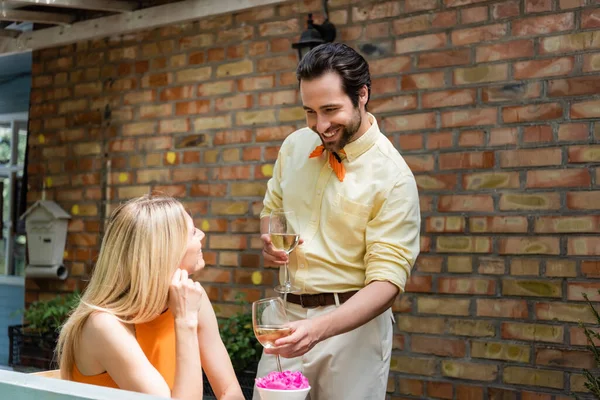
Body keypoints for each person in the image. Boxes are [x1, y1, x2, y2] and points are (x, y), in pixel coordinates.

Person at [255, 43, 421, 400]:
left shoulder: (393, 177)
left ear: (362, 95)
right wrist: (270, 237)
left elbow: (387, 283)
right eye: (310, 112)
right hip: (286, 320)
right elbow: (273, 208)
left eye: (331, 110)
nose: (321, 125)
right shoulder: (295, 145)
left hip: (353, 332)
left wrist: (317, 330)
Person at [56, 195, 244, 400]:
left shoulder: (191, 299)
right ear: (165, 250)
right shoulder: (104, 325)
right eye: (191, 233)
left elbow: (229, 391)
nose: (202, 235)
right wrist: (185, 321)